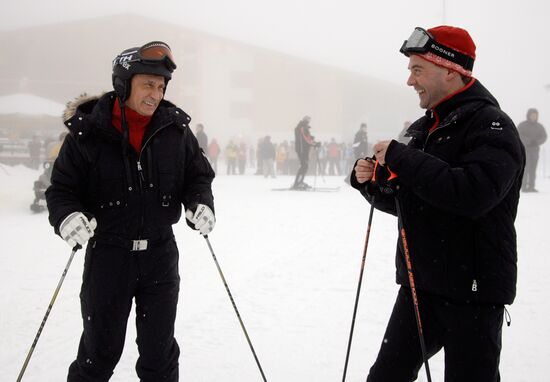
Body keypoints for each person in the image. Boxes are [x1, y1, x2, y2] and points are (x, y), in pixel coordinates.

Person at [351, 26, 525, 381]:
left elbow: (473, 195)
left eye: (417, 69)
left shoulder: (493, 126)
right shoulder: (423, 126)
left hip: (473, 293)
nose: (410, 81)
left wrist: (403, 159)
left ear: (450, 70)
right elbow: (407, 198)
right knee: (385, 376)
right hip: (421, 285)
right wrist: (370, 182)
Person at [45, 41, 215, 382]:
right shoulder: (88, 133)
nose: (156, 93)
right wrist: (67, 217)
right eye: (148, 84)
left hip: (160, 257)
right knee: (98, 355)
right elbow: (62, 190)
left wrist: (201, 203)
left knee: (159, 354)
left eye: (161, 86)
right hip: (109, 256)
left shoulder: (175, 131)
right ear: (124, 83)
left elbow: (198, 175)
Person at [518, 108, 547, 192]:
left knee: (533, 169)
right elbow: (518, 134)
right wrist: (528, 141)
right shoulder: (522, 125)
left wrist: (537, 142)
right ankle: (523, 187)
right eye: (532, 115)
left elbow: (544, 136)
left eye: (535, 115)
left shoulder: (539, 126)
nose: (534, 117)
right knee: (525, 168)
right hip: (525, 150)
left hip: (535, 151)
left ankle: (531, 186)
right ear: (529, 115)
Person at [292, 115, 319, 189]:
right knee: (304, 166)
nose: (309, 122)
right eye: (308, 120)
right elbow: (306, 139)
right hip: (302, 150)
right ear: (305, 120)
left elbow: (308, 138)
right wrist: (315, 144)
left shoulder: (304, 127)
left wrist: (314, 142)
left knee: (305, 166)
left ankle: (299, 182)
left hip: (304, 149)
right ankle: (297, 183)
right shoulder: (302, 127)